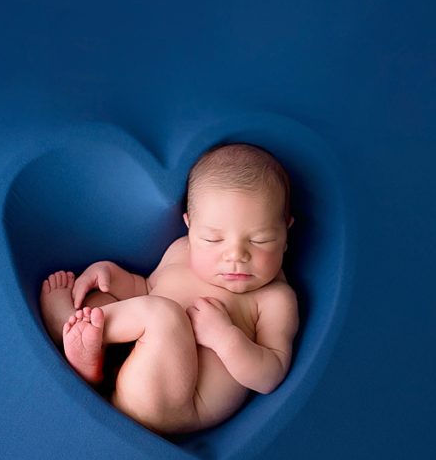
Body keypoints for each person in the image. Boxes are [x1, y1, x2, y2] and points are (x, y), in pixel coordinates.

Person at [39, 143, 299, 435]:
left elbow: (270, 376)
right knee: (112, 297)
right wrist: (110, 273)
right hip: (129, 360)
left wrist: (225, 338)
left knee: (162, 315)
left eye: (260, 240)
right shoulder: (181, 251)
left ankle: (69, 327)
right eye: (213, 240)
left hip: (172, 404)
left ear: (286, 231)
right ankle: (88, 356)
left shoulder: (275, 299)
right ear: (190, 227)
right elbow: (145, 287)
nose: (235, 255)